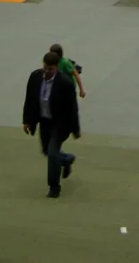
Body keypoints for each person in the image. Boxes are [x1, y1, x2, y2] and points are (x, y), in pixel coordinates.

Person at [22, 51, 81, 198]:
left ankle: (54, 187)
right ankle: (66, 160)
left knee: (53, 152)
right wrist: (27, 120)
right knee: (46, 151)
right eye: (45, 68)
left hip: (60, 123)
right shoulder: (35, 77)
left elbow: (72, 108)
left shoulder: (65, 83)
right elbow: (29, 99)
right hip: (44, 121)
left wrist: (76, 129)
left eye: (51, 69)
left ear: (57, 67)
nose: (47, 71)